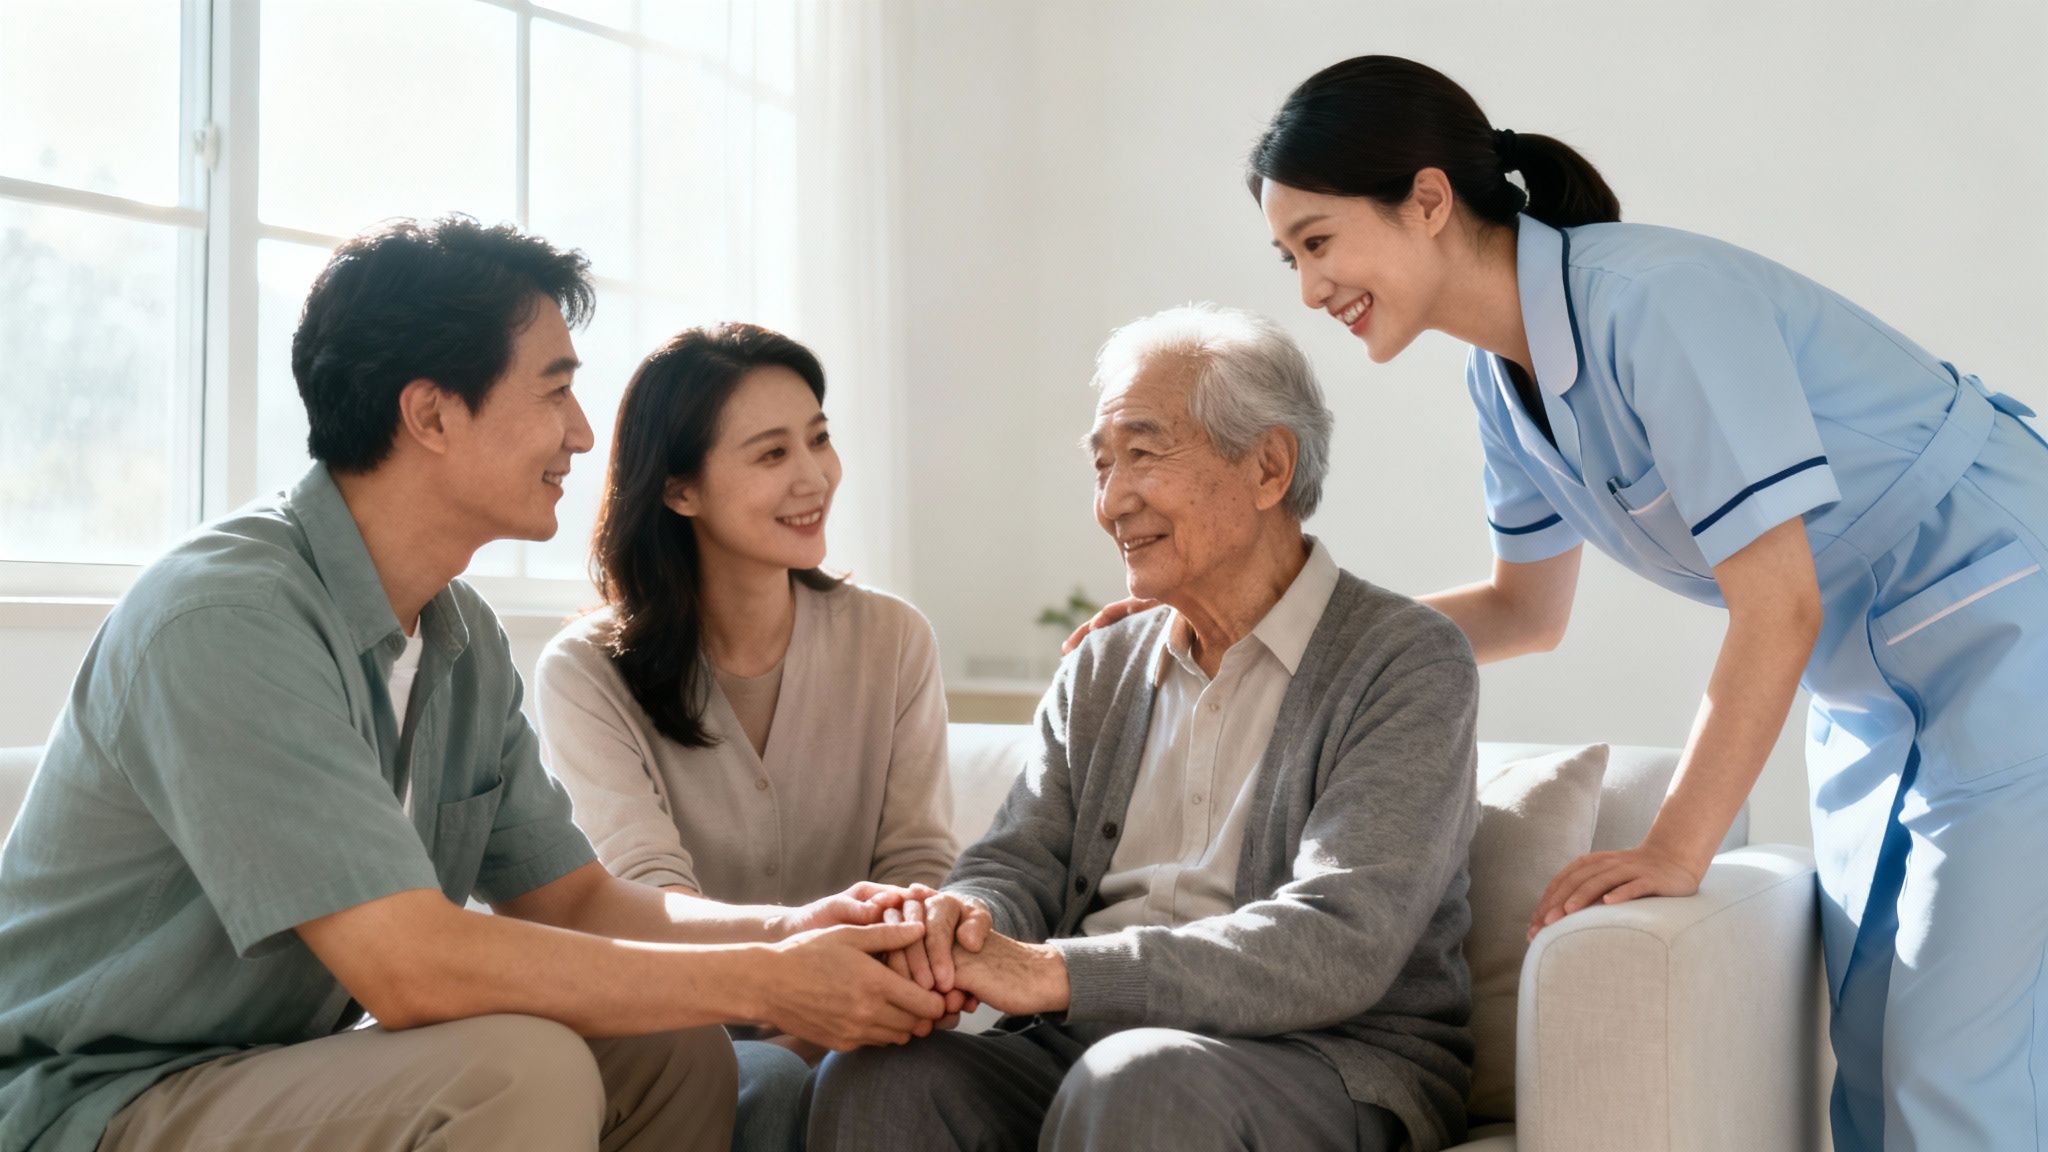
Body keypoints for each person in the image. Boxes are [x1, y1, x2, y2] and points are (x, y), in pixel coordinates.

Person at [1179, 53, 2045, 1152]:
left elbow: (1773, 605)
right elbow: (1521, 611)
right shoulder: (1500, 382)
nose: (1307, 290)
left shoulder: (1649, 303)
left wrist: (1675, 846)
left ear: (1427, 202)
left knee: (1955, 1067)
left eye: (1316, 243)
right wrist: (1259, 634)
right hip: (1868, 682)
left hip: (2004, 615)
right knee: (1871, 1066)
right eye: (1287, 257)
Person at [0, 217, 947, 1152]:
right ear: (432, 414)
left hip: (263, 1067)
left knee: (672, 1048)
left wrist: (791, 930)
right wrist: (770, 984)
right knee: (516, 1072)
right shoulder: (227, 620)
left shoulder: (461, 637)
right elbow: (410, 967)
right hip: (91, 1098)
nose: (581, 433)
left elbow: (576, 900)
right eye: (556, 391)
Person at [810, 304, 1483, 1152]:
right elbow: (1016, 863)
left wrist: (1050, 971)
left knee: (1144, 1083)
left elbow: (1341, 939)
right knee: (882, 1077)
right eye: (1101, 466)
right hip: (1092, 1038)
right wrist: (961, 926)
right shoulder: (1103, 664)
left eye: (1143, 453)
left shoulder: (1406, 660)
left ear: (1269, 467)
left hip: (1325, 1056)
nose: (1112, 501)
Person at [535, 321, 958, 1152]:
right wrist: (789, 1003)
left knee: (890, 1078)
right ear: (679, 489)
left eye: (820, 439)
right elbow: (645, 898)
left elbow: (917, 870)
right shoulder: (586, 671)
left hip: (862, 1014)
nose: (815, 478)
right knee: (762, 1078)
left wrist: (832, 1021)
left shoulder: (893, 639)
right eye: (771, 455)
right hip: (670, 1027)